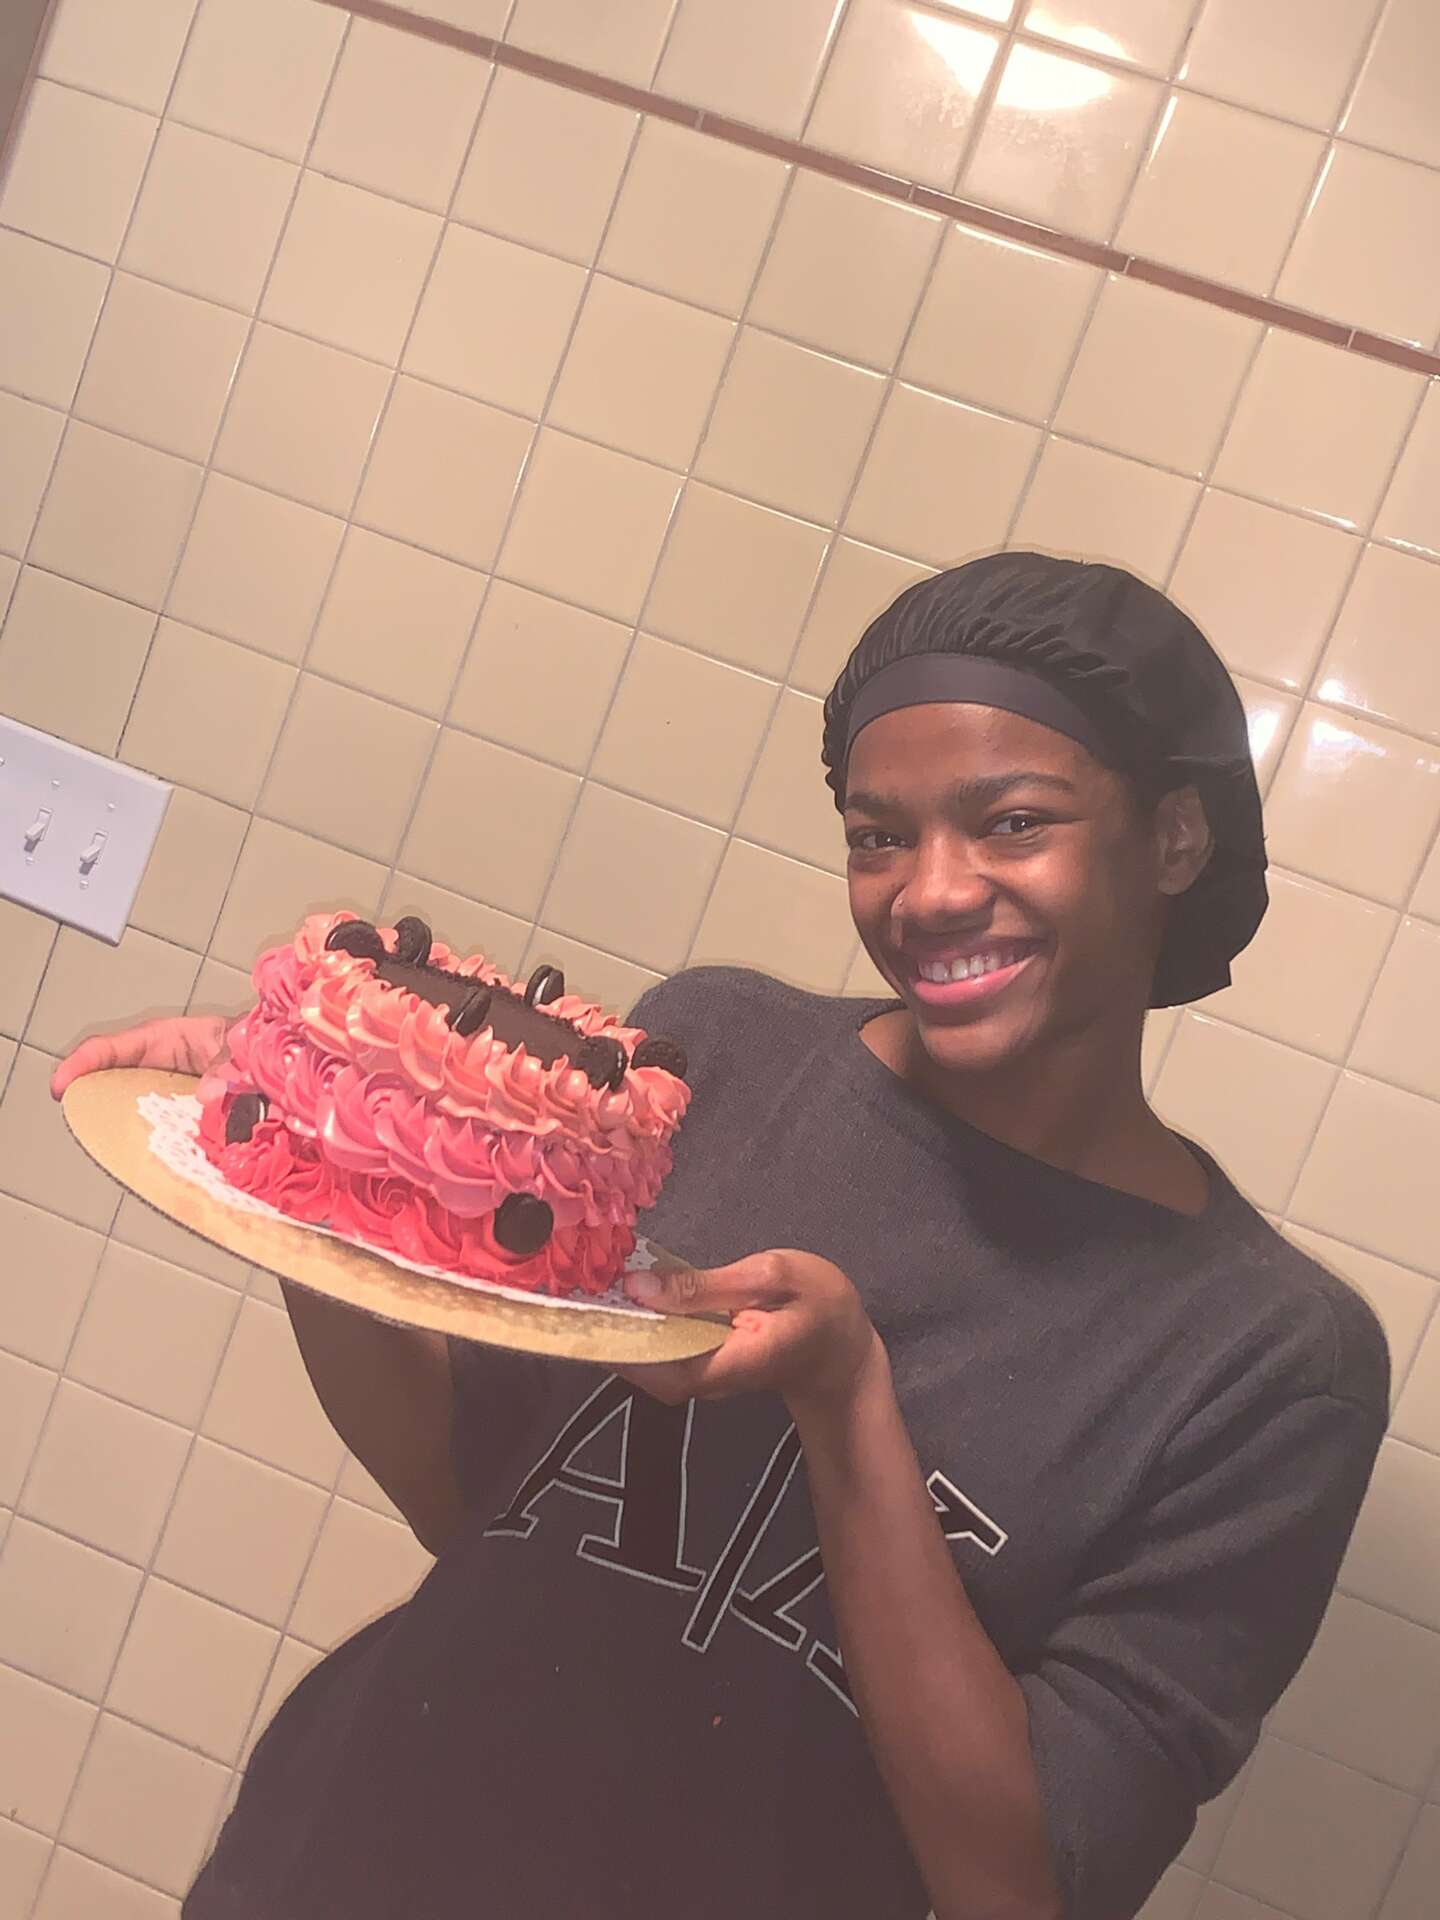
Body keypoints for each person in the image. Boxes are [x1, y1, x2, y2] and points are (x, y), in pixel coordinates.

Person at [53, 552, 1389, 1920]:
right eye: (878, 836)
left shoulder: (1267, 1362)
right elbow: (462, 1494)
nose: (929, 892)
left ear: (1173, 840)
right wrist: (316, 1148)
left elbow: (1020, 1886)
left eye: (1012, 823)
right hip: (333, 1863)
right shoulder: (722, 1052)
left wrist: (848, 1401)